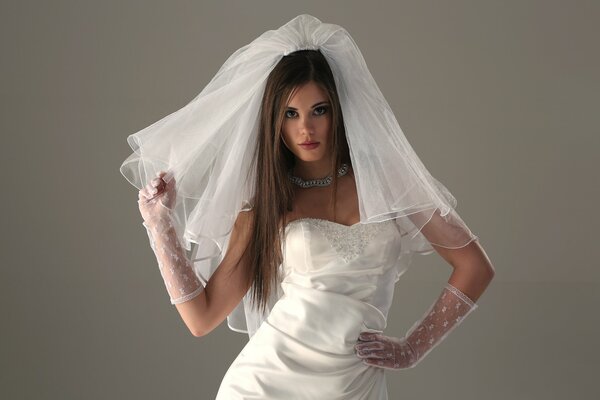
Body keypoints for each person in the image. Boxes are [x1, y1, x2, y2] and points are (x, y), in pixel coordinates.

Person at [125, 14, 495, 399]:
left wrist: (412, 348)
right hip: (265, 385)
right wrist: (158, 223)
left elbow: (475, 266)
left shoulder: (386, 182)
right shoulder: (269, 205)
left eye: (319, 110)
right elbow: (201, 319)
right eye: (291, 114)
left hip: (355, 385)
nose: (306, 128)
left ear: (339, 109)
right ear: (275, 121)